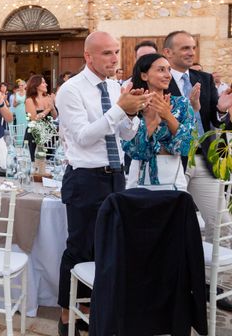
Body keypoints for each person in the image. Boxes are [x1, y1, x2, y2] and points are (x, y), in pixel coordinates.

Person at [56, 31, 149, 335]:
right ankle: (66, 316)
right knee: (79, 248)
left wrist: (133, 113)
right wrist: (121, 108)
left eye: (115, 53)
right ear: (89, 57)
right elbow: (83, 136)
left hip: (115, 175)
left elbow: (126, 135)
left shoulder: (114, 87)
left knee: (106, 247)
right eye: (107, 53)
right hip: (85, 178)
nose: (114, 59)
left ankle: (95, 307)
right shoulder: (71, 90)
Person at [163, 31, 232, 241]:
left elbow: (214, 118)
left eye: (193, 48)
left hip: (203, 158)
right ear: (168, 52)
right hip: (173, 158)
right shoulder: (160, 79)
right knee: (171, 223)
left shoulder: (203, 78)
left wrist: (221, 110)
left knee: (221, 225)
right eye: (185, 48)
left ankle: (212, 274)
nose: (191, 52)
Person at [122, 54, 194, 191]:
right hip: (139, 178)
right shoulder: (133, 106)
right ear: (144, 76)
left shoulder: (181, 104)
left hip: (174, 178)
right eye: (161, 70)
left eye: (169, 70)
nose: (168, 75)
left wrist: (168, 116)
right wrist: (152, 121)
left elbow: (186, 147)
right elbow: (134, 151)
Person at [24, 74, 58, 161]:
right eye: (43, 82)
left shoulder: (48, 98)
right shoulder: (29, 100)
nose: (46, 84)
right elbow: (34, 119)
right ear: (36, 85)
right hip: (34, 134)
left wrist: (52, 106)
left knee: (48, 160)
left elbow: (54, 116)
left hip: (48, 133)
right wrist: (48, 109)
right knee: (34, 161)